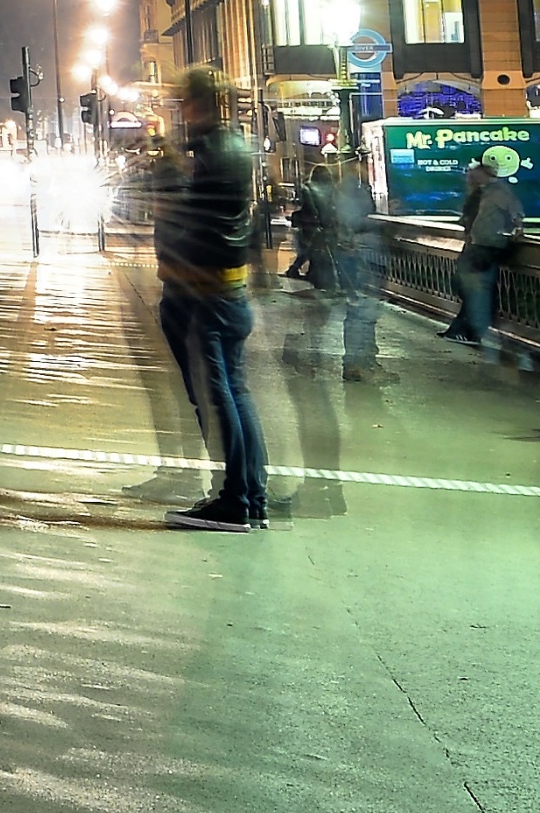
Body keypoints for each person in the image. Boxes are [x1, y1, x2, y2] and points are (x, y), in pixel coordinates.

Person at [151, 68, 271, 530]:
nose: (178, 110)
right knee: (235, 395)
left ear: (197, 103)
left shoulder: (206, 154)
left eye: (182, 102)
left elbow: (192, 223)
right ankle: (250, 498)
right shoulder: (235, 146)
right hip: (226, 290)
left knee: (216, 397)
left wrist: (166, 179)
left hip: (202, 293)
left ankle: (234, 501)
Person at [289, 150, 383, 381]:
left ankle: (359, 361)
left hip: (340, 246)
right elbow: (352, 222)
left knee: (357, 305)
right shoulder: (350, 191)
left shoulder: (341, 190)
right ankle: (358, 363)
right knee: (361, 308)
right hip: (355, 252)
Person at [453, 146, 527, 365]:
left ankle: (476, 331)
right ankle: (470, 329)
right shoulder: (484, 192)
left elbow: (515, 213)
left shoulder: (497, 192)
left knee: (477, 288)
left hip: (487, 247)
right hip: (481, 245)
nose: (469, 174)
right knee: (473, 287)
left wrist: (517, 227)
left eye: (473, 171)